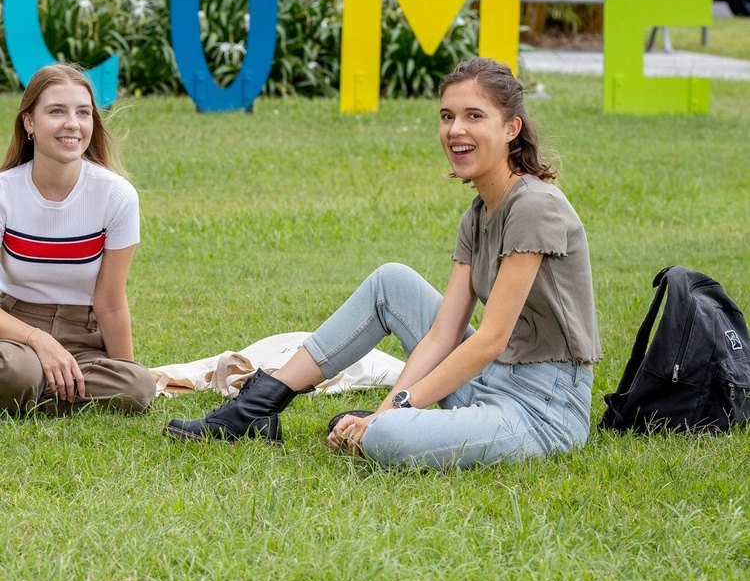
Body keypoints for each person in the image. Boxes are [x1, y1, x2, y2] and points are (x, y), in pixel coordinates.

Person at [165, 58, 601, 469]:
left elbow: (490, 339)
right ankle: (256, 407)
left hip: (540, 407)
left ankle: (389, 425)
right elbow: (441, 336)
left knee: (386, 439)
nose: (455, 130)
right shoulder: (478, 213)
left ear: (511, 128)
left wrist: (388, 415)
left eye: (473, 116)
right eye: (447, 116)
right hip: (488, 379)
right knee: (391, 282)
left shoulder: (534, 206)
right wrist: (391, 405)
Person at [0, 63, 156, 416]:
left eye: (83, 112)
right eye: (57, 111)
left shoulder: (116, 195)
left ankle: (32, 392)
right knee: (16, 369)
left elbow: (110, 302)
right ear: (29, 122)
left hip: (83, 338)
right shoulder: (4, 192)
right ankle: (51, 388)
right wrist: (38, 340)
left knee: (138, 387)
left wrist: (127, 373)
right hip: (14, 333)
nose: (73, 123)